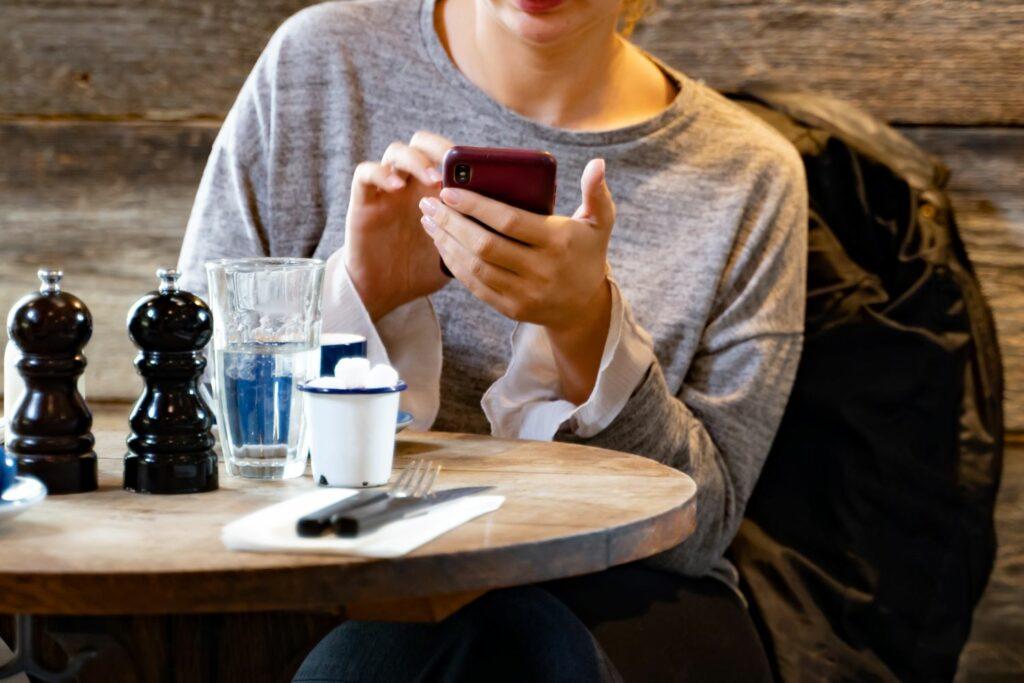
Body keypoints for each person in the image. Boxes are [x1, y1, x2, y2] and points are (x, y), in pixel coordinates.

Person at [178, 0, 808, 679]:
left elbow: (702, 525)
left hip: (615, 609)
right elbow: (191, 403)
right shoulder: (319, 65)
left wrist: (585, 332)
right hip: (323, 588)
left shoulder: (750, 175)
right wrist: (359, 295)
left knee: (481, 640)